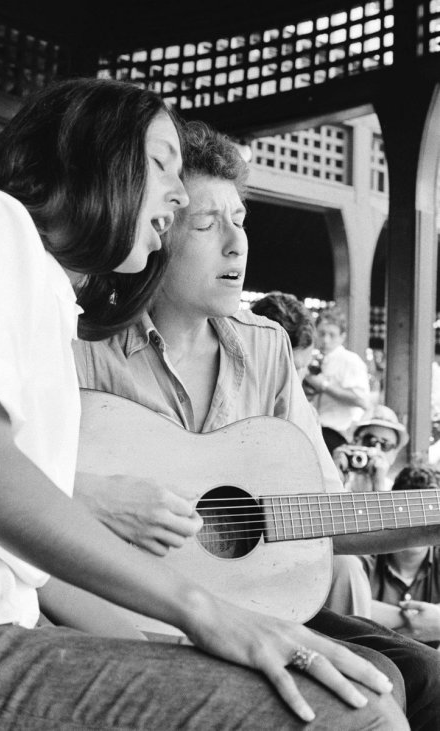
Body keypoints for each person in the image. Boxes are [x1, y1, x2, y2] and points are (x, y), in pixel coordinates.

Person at [0, 79, 404, 730]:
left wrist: (182, 644)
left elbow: (38, 568)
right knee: (358, 713)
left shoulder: (57, 310)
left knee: (368, 689)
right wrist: (206, 612)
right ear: (89, 155)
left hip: (5, 631)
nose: (179, 194)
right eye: (162, 163)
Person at [74, 119, 440, 730]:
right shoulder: (86, 346)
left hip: (256, 601)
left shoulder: (266, 346)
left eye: (240, 220)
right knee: (378, 690)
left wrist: (427, 515)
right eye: (206, 224)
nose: (236, 244)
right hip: (133, 612)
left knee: (425, 674)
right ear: (158, 231)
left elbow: (319, 513)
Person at [361, 464, 440, 649]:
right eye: (410, 511)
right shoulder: (364, 555)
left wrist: (376, 615)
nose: (421, 523)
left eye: (431, 512)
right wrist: (425, 621)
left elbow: (355, 609)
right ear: (393, 510)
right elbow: (341, 604)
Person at [304, 305, 371, 455]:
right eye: (321, 333)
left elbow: (362, 400)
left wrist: (325, 386)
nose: (326, 340)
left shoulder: (350, 361)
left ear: (342, 337)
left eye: (332, 335)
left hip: (337, 434)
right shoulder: (311, 358)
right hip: (312, 431)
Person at [333, 404, 409, 493]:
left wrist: (379, 485)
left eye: (385, 445)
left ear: (394, 455)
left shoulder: (397, 490)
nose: (376, 449)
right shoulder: (339, 481)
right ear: (355, 442)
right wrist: (334, 475)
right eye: (370, 441)